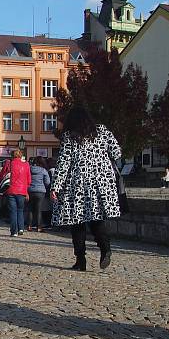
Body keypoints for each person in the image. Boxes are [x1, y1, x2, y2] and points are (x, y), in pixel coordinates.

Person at [51, 105, 121, 271]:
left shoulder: (70, 136)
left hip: (77, 183)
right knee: (97, 218)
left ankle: (80, 260)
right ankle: (106, 249)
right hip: (101, 183)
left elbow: (63, 163)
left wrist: (56, 187)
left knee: (77, 222)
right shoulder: (102, 131)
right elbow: (117, 152)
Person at [0, 149, 31, 237]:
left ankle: (14, 232)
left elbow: (2, 176)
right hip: (22, 191)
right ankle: (21, 228)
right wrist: (26, 190)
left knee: (13, 211)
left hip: (11, 190)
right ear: (21, 156)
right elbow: (29, 180)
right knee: (20, 210)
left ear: (12, 156)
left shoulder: (9, 163)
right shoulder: (26, 165)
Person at [27, 157, 51, 232]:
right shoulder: (43, 170)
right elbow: (47, 182)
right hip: (40, 191)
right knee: (39, 209)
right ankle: (39, 227)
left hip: (30, 190)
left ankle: (29, 226)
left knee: (30, 209)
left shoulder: (29, 169)